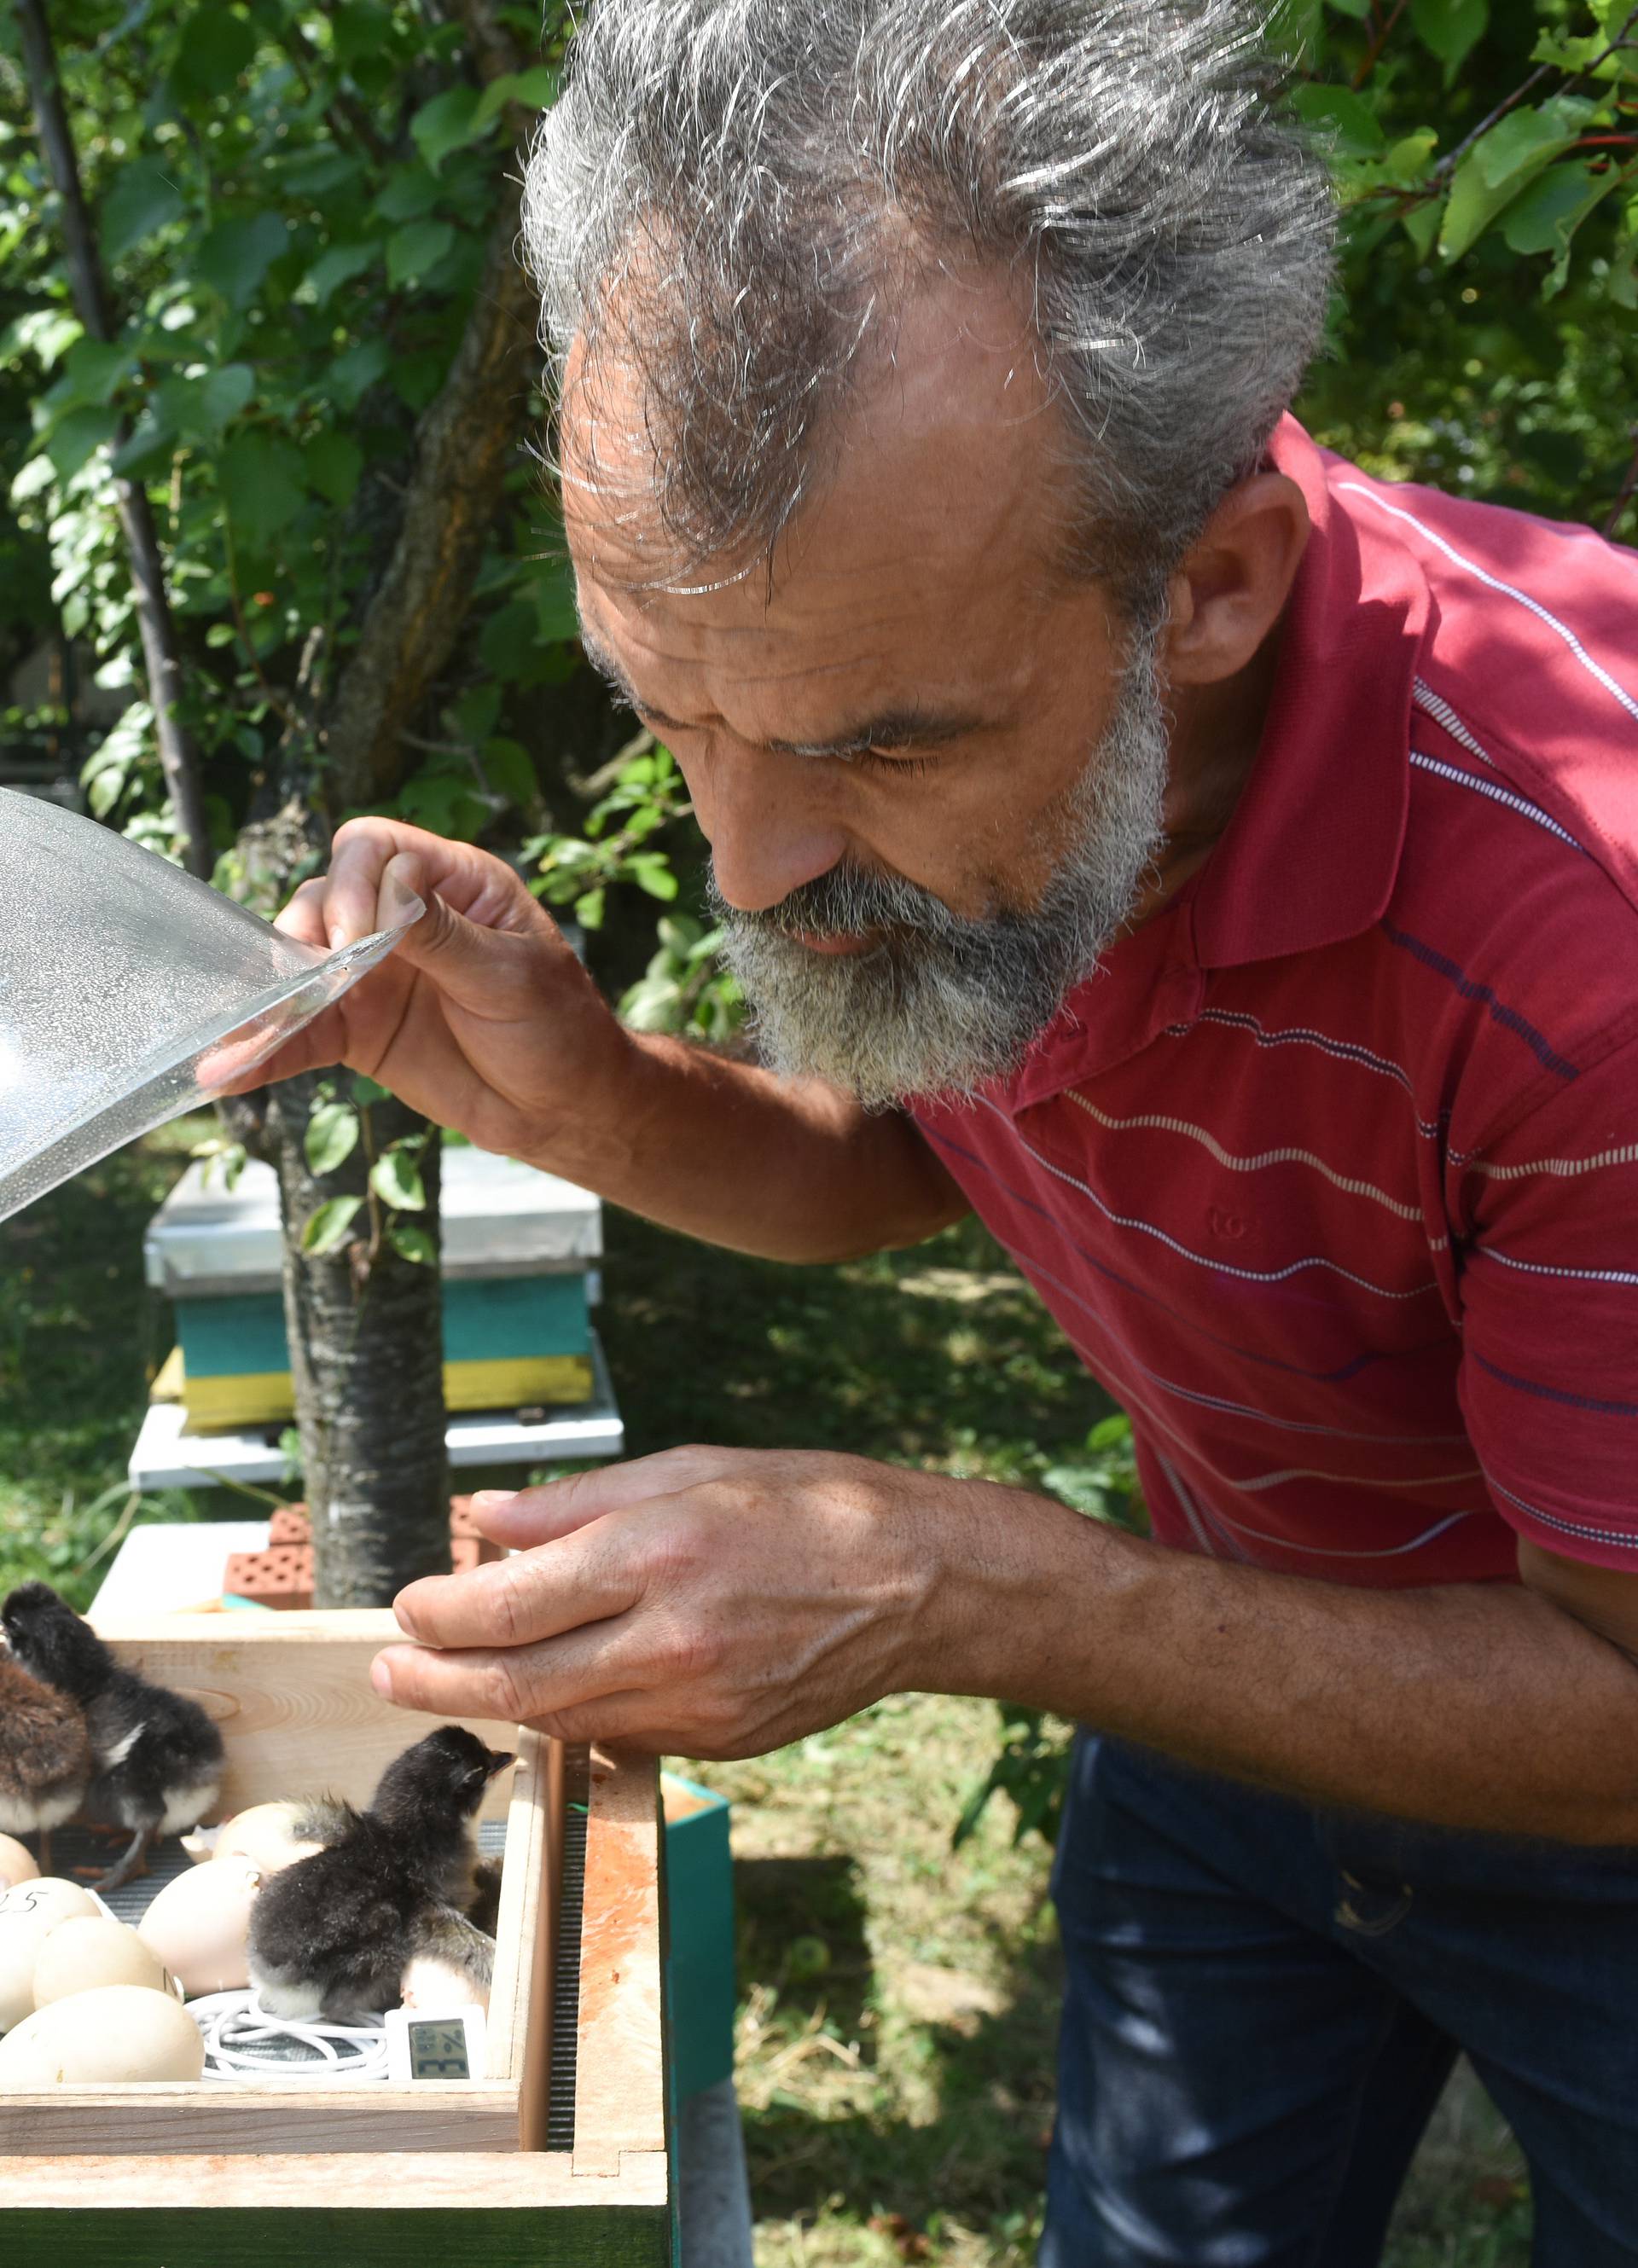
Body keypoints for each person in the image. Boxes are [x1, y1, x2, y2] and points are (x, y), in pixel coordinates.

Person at [247, 3, 1638, 2257]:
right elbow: (911, 1154)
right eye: (666, 704)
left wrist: (961, 1577)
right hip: (1213, 1726)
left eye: (876, 746)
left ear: (1211, 590)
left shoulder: (1597, 932)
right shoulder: (996, 668)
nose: (745, 862)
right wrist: (588, 1089)